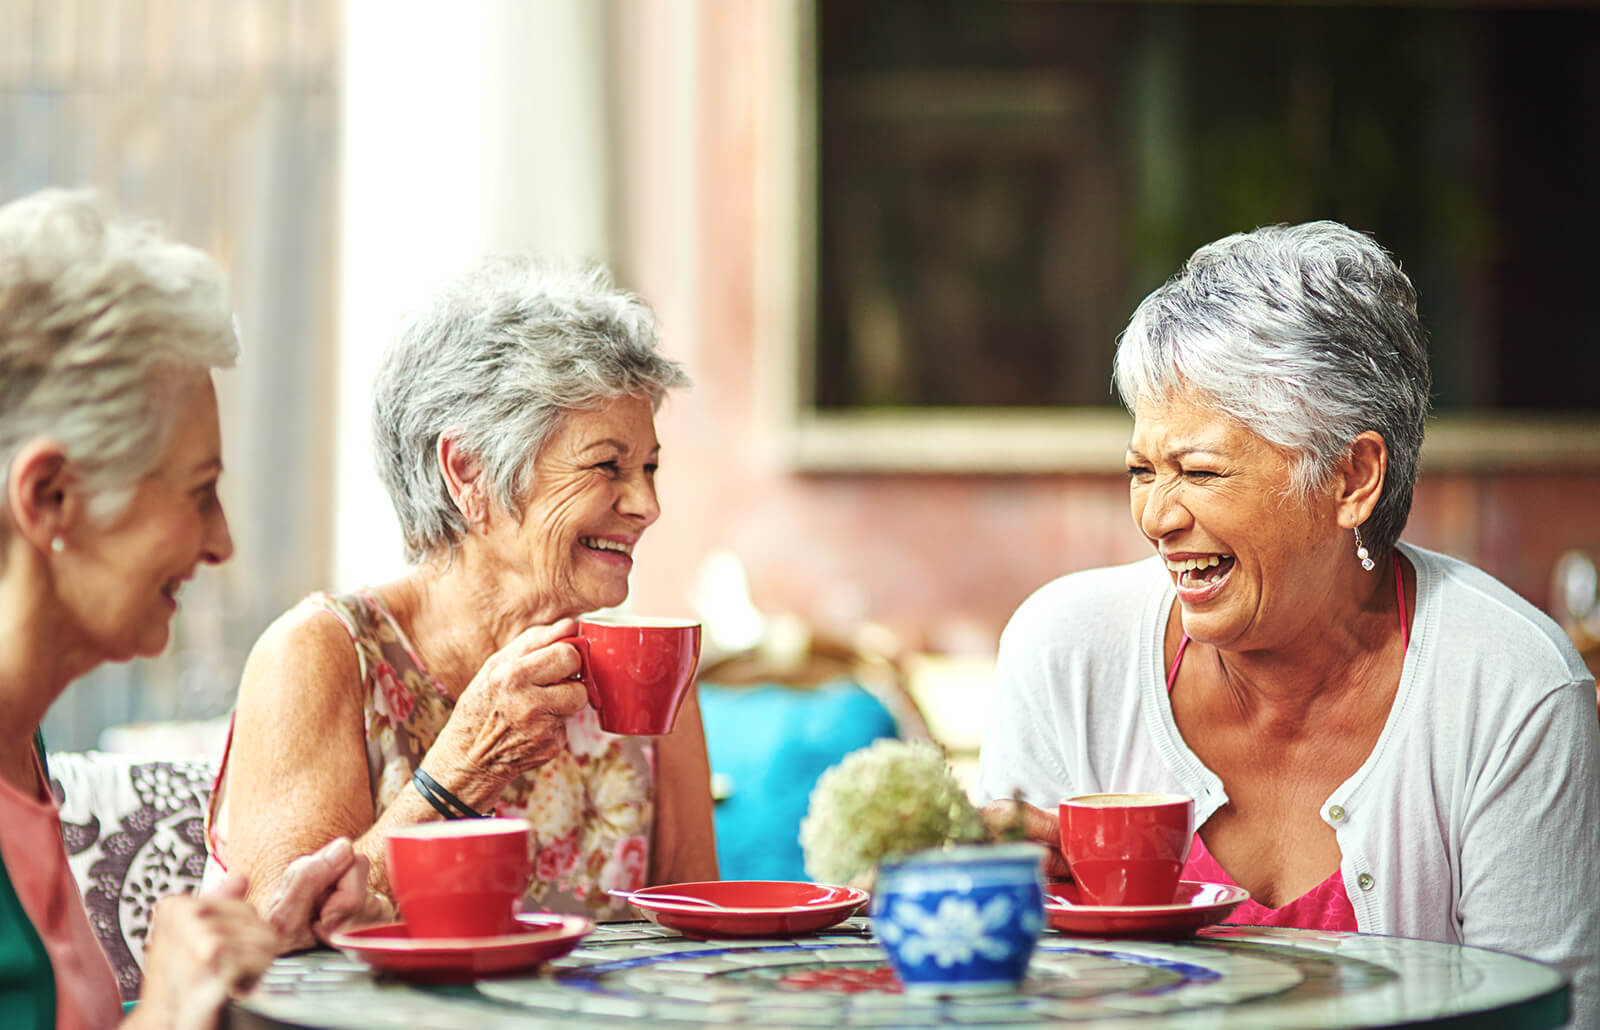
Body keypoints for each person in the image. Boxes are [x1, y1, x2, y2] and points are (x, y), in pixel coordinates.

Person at [977, 221, 1600, 1026]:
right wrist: (993, 904)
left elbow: (1554, 1015)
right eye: (1141, 469)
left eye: (1200, 472)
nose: (1157, 516)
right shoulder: (1066, 651)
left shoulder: (1512, 686)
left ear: (1352, 478)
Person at [205, 256, 718, 937]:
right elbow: (272, 932)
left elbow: (700, 932)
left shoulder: (645, 665)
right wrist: (463, 771)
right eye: (608, 466)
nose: (647, 505)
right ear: (468, 469)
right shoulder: (320, 652)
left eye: (649, 468)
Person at [0, 188, 377, 1028]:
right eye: (200, 492)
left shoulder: (20, 748)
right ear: (50, 495)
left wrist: (259, 941)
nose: (222, 543)